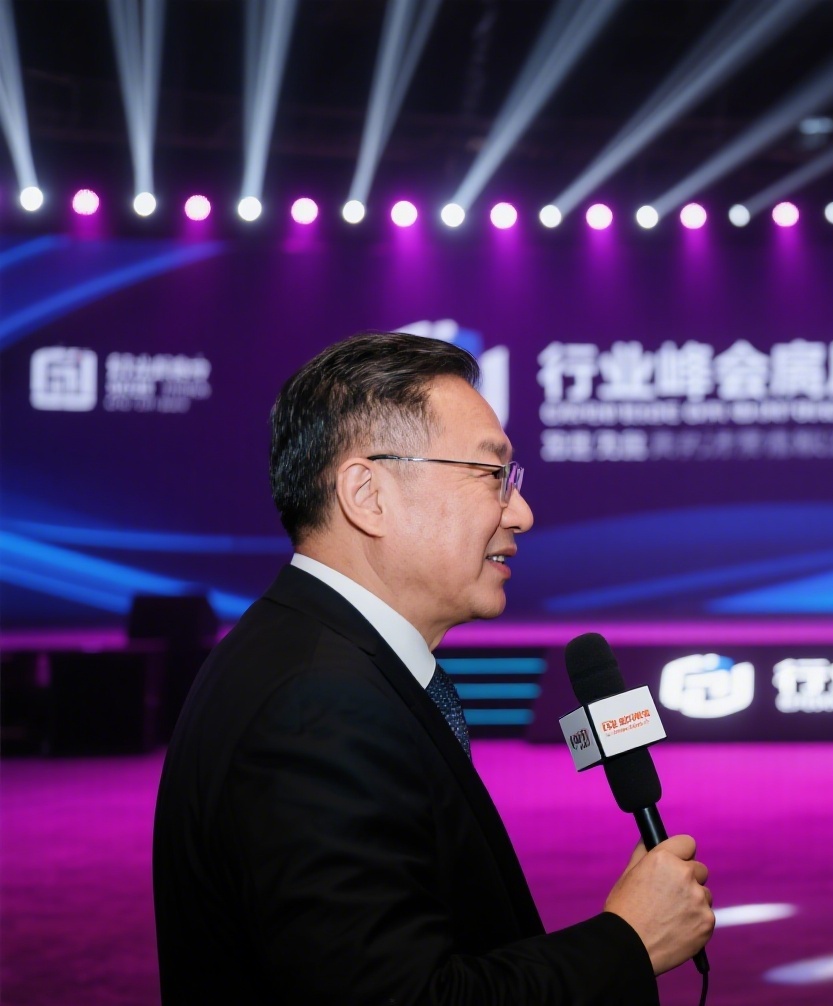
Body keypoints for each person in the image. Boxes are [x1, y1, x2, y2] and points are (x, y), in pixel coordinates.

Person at [153, 332, 713, 1005]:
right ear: (368, 494)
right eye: (491, 475)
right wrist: (629, 942)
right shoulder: (316, 707)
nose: (522, 513)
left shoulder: (316, 656)